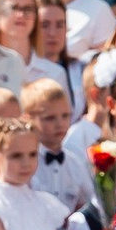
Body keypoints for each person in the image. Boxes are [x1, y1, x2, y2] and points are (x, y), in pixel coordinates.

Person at [20, 77, 91, 216]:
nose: (60, 124)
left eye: (65, 116)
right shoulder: (24, 163)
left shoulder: (75, 163)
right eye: (50, 118)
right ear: (27, 119)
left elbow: (87, 204)